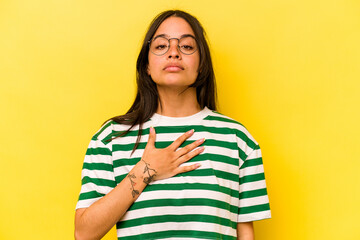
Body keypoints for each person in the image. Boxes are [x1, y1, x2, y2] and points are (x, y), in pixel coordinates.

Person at [75, 9, 271, 240]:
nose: (174, 53)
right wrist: (145, 170)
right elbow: (84, 233)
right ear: (146, 66)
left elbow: (245, 232)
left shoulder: (238, 139)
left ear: (202, 65)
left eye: (187, 46)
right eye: (161, 46)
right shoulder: (111, 138)